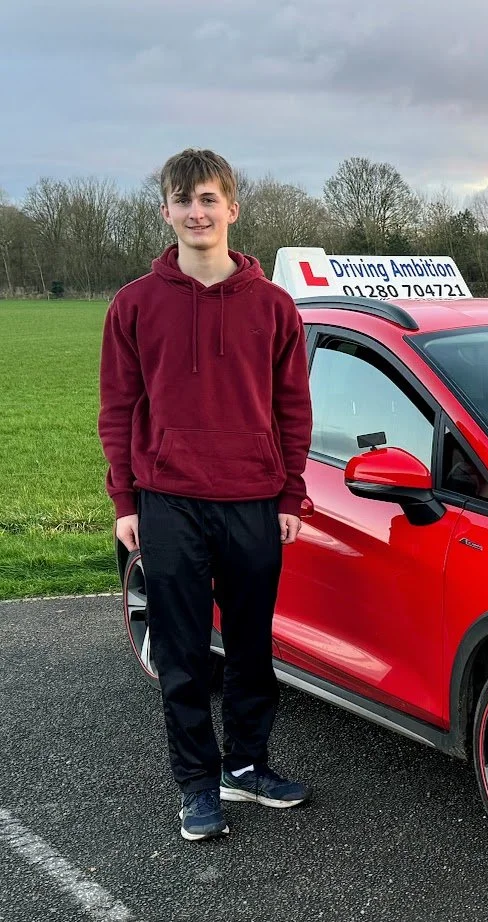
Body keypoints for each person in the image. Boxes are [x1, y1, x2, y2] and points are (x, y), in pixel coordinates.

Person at [98, 148, 314, 841]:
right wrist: (125, 503)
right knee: (184, 656)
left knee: (251, 651)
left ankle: (246, 766)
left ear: (232, 209)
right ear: (166, 210)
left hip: (252, 500)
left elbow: (293, 410)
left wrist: (290, 496)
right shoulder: (134, 305)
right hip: (168, 500)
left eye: (209, 199)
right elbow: (117, 409)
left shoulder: (274, 307)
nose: (197, 212)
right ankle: (197, 784)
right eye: (184, 200)